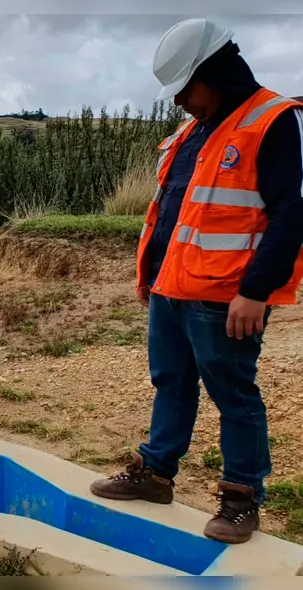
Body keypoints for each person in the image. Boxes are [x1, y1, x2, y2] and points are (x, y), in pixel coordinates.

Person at [89, 18, 303, 544]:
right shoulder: (192, 132)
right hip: (172, 287)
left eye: (186, 87)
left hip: (227, 296)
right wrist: (152, 275)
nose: (180, 101)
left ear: (216, 71)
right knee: (171, 381)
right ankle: (156, 473)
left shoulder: (272, 121)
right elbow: (173, 211)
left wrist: (255, 291)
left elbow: (291, 215)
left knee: (234, 394)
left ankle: (241, 500)